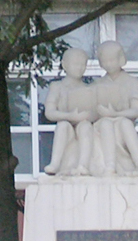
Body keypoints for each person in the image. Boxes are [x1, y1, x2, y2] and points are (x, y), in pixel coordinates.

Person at [90, 40, 138, 175]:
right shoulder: (97, 84)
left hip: (123, 123)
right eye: (104, 61)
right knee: (106, 123)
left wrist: (114, 114)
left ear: (121, 59)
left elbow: (135, 111)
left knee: (124, 123)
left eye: (112, 60)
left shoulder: (131, 82)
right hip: (102, 124)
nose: (108, 64)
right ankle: (109, 166)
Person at [41, 47, 98, 175]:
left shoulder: (89, 88)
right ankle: (55, 164)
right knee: (62, 126)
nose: (79, 68)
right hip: (67, 124)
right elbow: (49, 112)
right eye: (75, 64)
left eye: (82, 65)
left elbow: (96, 112)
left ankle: (83, 165)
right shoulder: (57, 86)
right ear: (65, 65)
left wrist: (89, 115)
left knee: (85, 126)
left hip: (83, 123)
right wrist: (70, 116)